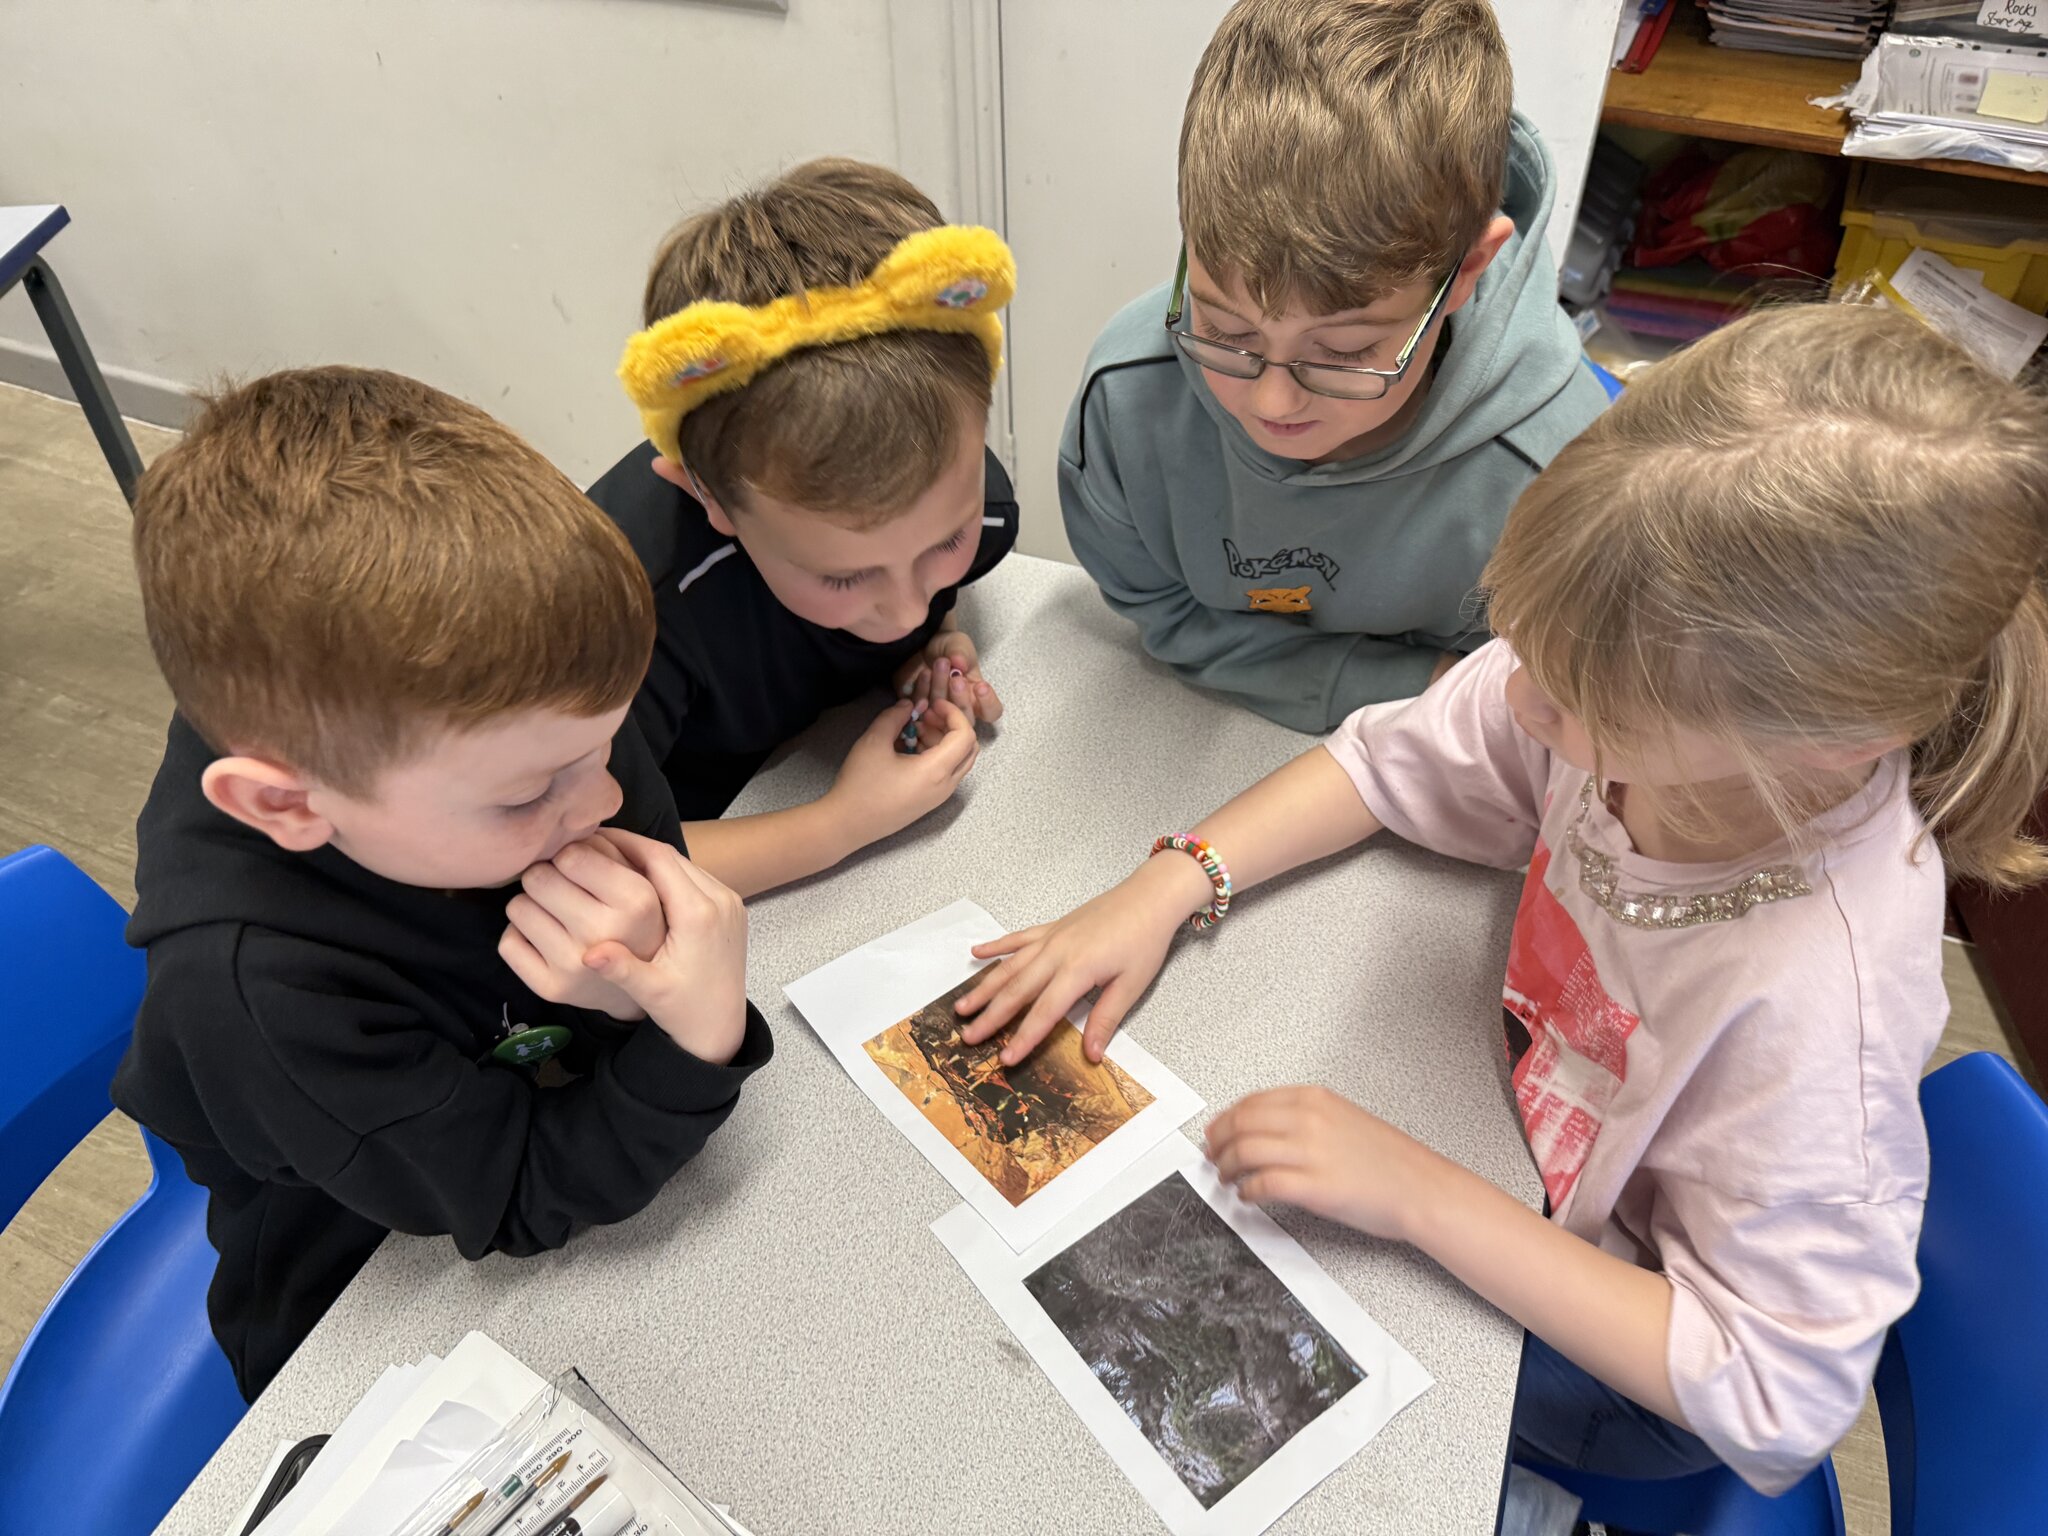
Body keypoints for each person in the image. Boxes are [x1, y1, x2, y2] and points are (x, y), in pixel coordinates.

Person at [956, 305, 2048, 1499]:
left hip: (1618, 1354)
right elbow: (1388, 759)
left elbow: (1773, 1398)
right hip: (1513, 1140)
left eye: (1579, 702)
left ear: (1822, 740)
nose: (1519, 702)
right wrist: (1175, 880)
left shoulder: (1816, 1014)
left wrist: (1417, 1194)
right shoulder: (1637, 682)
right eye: (1524, 646)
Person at [114, 369, 772, 1399]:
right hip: (361, 1295)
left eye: (606, 746)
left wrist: (625, 997)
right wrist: (693, 1041)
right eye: (530, 794)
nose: (605, 797)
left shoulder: (530, 729)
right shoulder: (255, 991)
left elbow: (597, 845)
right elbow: (517, 1195)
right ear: (286, 804)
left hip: (540, 1124)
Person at [1062, 0, 1609, 731]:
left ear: (1468, 269)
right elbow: (1157, 605)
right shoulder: (1125, 403)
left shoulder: (1559, 477)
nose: (1273, 403)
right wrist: (1412, 682)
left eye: (1347, 351)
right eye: (1226, 329)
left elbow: (1548, 696)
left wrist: (1444, 698)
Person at [593, 158, 1020, 897]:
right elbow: (588, 859)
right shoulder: (619, 625)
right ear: (706, 496)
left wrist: (929, 644)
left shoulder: (984, 513)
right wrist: (841, 823)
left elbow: (913, 611)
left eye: (943, 545)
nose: (905, 609)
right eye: (844, 577)